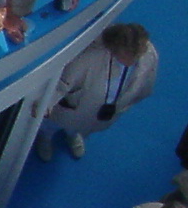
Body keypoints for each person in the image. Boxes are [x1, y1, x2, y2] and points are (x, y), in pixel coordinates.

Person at [36, 23, 158, 160]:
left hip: (104, 109)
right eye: (128, 54)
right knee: (53, 124)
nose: (134, 59)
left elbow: (146, 81)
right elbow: (62, 84)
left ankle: (73, 134)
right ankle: (45, 138)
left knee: (80, 126)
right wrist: (46, 105)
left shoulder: (147, 54)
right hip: (76, 105)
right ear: (114, 49)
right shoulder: (89, 58)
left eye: (137, 55)